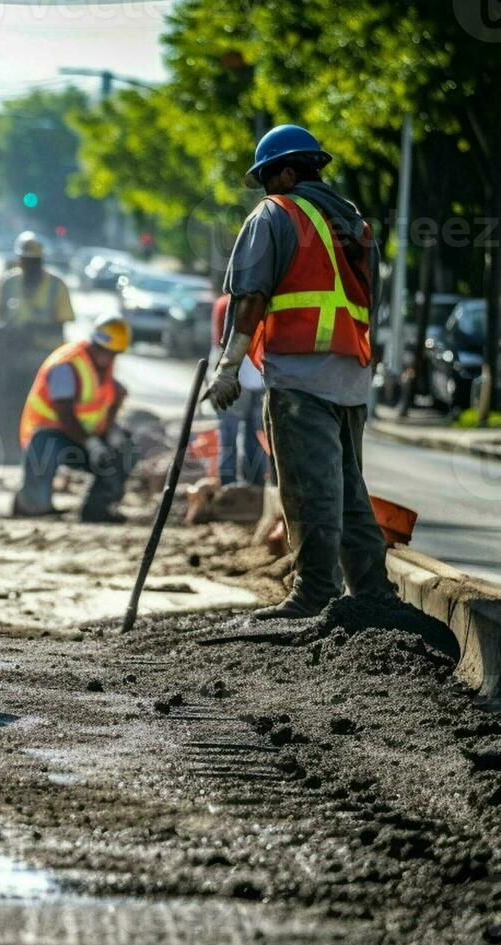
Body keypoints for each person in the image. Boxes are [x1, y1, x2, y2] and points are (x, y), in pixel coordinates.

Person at [211, 124, 393, 619]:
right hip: (351, 378)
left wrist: (228, 368)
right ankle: (373, 591)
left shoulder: (276, 212)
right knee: (349, 488)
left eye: (270, 178)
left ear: (287, 173)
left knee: (309, 489)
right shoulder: (355, 222)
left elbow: (250, 297)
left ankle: (314, 592)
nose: (267, 190)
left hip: (298, 375)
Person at [13, 314, 139, 523]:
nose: (109, 358)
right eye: (105, 352)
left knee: (127, 450)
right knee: (45, 445)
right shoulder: (66, 366)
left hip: (82, 439)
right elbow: (66, 416)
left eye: (114, 354)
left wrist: (111, 434)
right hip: (50, 436)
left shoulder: (105, 371)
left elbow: (104, 407)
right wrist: (92, 445)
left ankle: (99, 509)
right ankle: (32, 505)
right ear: (94, 343)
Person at [0, 232, 76, 454]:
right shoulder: (8, 283)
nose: (28, 265)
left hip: (43, 358)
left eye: (33, 262)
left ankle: (36, 447)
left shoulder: (56, 286)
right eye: (25, 260)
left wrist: (32, 330)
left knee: (40, 404)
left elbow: (61, 324)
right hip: (14, 356)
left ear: (41, 261)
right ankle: (8, 445)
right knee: (8, 401)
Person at [211, 293, 267, 486]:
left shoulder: (224, 304)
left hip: (233, 379)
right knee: (253, 435)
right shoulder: (263, 303)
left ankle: (229, 484)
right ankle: (253, 484)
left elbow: (219, 343)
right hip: (255, 380)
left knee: (229, 435)